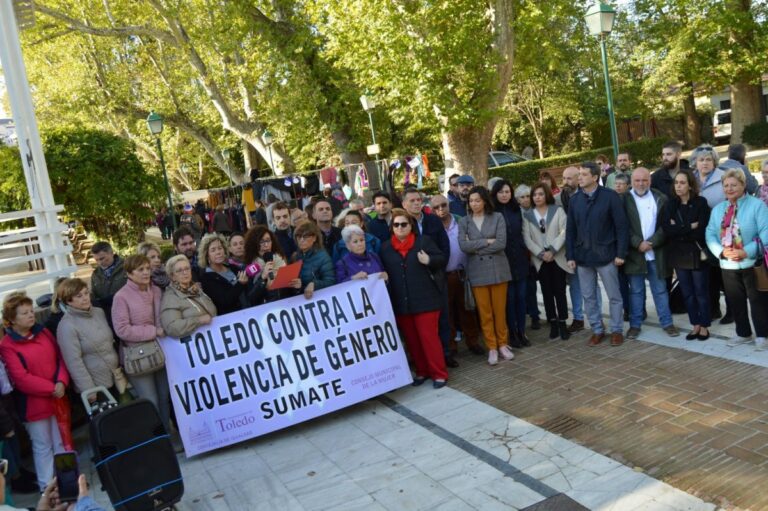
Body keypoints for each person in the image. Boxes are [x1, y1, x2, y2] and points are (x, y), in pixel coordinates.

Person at [0, 293, 69, 491]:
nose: (31, 315)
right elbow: (21, 378)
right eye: (24, 313)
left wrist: (61, 381)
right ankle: (47, 488)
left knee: (61, 443)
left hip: (58, 398)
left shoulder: (43, 332)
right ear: (12, 319)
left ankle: (68, 482)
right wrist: (52, 388)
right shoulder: (7, 345)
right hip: (33, 405)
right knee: (43, 446)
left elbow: (60, 357)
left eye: (31, 311)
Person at [379, 209, 448, 388]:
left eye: (404, 224)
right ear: (392, 227)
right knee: (412, 341)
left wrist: (429, 260)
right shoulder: (385, 248)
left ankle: (439, 374)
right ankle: (422, 371)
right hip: (402, 303)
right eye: (396, 225)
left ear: (411, 226)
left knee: (429, 339)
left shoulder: (423, 241)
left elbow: (441, 258)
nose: (400, 227)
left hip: (426, 300)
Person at [566, 161, 628, 347]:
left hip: (606, 255)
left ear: (595, 177)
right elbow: (570, 230)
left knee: (614, 295)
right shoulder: (575, 200)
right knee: (588, 296)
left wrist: (621, 253)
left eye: (584, 174)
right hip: (583, 257)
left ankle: (616, 330)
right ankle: (597, 329)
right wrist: (570, 255)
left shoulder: (610, 196)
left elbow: (621, 227)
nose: (580, 178)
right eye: (579, 174)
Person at [706, 169, 768, 350]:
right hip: (728, 264)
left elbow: (765, 233)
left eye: (734, 185)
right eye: (726, 185)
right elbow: (710, 234)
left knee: (758, 301)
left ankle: (762, 334)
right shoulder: (718, 209)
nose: (729, 189)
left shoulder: (757, 205)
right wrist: (722, 252)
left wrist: (745, 252)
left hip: (752, 263)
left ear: (743, 185)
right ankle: (743, 333)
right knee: (735, 300)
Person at [111, 255, 170, 432]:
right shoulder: (121, 297)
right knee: (150, 402)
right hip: (138, 355)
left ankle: (166, 435)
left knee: (164, 397)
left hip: (160, 351)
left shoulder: (156, 291)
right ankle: (155, 439)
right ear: (129, 273)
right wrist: (153, 331)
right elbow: (122, 330)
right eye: (140, 269)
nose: (146, 272)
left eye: (147, 268)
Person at [622, 168, 679, 340]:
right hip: (635, 254)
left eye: (644, 180)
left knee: (660, 290)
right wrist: (637, 243)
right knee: (636, 292)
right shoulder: (623, 199)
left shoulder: (660, 197)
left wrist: (652, 242)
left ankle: (667, 323)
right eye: (637, 180)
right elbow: (623, 227)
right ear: (631, 182)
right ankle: (635, 325)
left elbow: (666, 225)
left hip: (656, 253)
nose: (641, 183)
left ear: (650, 181)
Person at [459, 186, 513, 365]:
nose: (474, 204)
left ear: (484, 201)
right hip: (477, 272)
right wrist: (486, 241)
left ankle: (503, 344)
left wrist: (476, 247)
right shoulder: (464, 221)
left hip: (498, 269)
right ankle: (491, 347)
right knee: (485, 313)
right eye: (471, 201)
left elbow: (501, 243)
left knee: (499, 310)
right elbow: (463, 246)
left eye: (477, 200)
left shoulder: (497, 217)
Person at [401, 187, 454, 366]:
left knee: (443, 317)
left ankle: (446, 353)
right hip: (415, 281)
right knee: (423, 323)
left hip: (436, 275)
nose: (417, 203)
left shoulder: (433, 220)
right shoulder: (401, 224)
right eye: (412, 201)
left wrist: (437, 266)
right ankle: (425, 359)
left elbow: (445, 247)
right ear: (404, 204)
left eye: (419, 200)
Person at [660, 168, 712, 341]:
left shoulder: (701, 203)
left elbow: (702, 230)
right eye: (676, 183)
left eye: (682, 183)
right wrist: (690, 226)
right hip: (679, 255)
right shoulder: (670, 205)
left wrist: (679, 229)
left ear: (690, 185)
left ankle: (704, 325)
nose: (678, 186)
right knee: (687, 293)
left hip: (697, 253)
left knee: (701, 292)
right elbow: (667, 230)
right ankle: (695, 324)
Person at [429, 194, 484, 356]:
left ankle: (473, 342)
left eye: (443, 205)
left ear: (449, 205)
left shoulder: (461, 221)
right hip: (443, 275)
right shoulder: (431, 226)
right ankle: (451, 345)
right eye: (436, 207)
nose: (441, 209)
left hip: (463, 273)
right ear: (431, 210)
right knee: (448, 313)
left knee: (468, 309)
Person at [55, 279, 120, 401]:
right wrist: (88, 389)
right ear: (68, 301)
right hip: (95, 387)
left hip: (116, 377)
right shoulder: (66, 326)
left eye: (86, 293)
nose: (85, 298)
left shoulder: (99, 312)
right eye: (79, 296)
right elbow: (73, 362)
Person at [522, 183, 572, 341]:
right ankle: (553, 323)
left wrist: (553, 250)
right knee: (547, 292)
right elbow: (527, 238)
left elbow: (564, 232)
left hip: (557, 257)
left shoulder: (557, 210)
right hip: (541, 260)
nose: (537, 197)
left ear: (547, 195)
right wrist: (540, 253)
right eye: (535, 195)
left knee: (560, 291)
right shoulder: (527, 215)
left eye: (540, 194)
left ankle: (563, 322)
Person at [692, 145, 731, 324]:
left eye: (708, 159)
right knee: (709, 276)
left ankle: (731, 311)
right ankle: (714, 309)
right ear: (696, 162)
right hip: (700, 234)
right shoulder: (692, 180)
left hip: (721, 233)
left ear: (714, 161)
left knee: (726, 276)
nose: (705, 163)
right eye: (701, 160)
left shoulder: (723, 177)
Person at [491, 179, 531, 347]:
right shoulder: (491, 212)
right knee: (509, 299)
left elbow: (524, 233)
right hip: (502, 260)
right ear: (495, 194)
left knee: (521, 297)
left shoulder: (517, 209)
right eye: (501, 192)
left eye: (507, 191)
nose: (504, 195)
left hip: (520, 259)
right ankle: (511, 333)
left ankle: (521, 331)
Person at [160, 255, 216, 338]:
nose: (185, 273)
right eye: (179, 271)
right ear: (172, 276)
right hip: (193, 343)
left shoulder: (196, 289)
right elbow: (172, 327)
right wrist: (198, 321)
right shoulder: (170, 297)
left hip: (212, 337)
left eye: (187, 268)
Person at [198, 233, 249, 315]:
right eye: (213, 250)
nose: (218, 252)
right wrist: (240, 284)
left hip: (248, 313)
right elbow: (224, 302)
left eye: (220, 248)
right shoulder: (206, 278)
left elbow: (248, 293)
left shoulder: (234, 268)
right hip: (230, 318)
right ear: (207, 256)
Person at [515, 184, 542, 330]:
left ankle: (537, 314)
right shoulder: (516, 213)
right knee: (527, 288)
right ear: (517, 199)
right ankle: (533, 315)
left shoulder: (537, 211)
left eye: (527, 196)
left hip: (539, 253)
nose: (526, 199)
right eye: (522, 197)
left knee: (535, 287)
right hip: (523, 255)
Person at [244, 225, 289, 305]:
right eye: (261, 242)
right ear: (254, 244)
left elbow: (289, 291)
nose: (266, 245)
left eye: (268, 240)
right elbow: (251, 299)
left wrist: (297, 287)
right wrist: (262, 278)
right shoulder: (249, 268)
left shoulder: (280, 259)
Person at [291, 221, 336, 300]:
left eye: (305, 237)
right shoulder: (295, 257)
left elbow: (331, 281)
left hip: (320, 300)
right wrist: (298, 286)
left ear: (314, 238)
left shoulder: (323, 257)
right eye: (299, 236)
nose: (301, 240)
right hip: (302, 301)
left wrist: (314, 284)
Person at [89, 241, 126, 330]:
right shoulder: (95, 275)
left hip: (128, 313)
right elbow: (95, 296)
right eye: (96, 260)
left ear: (111, 253)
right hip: (108, 317)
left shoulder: (127, 267)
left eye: (102, 258)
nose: (100, 263)